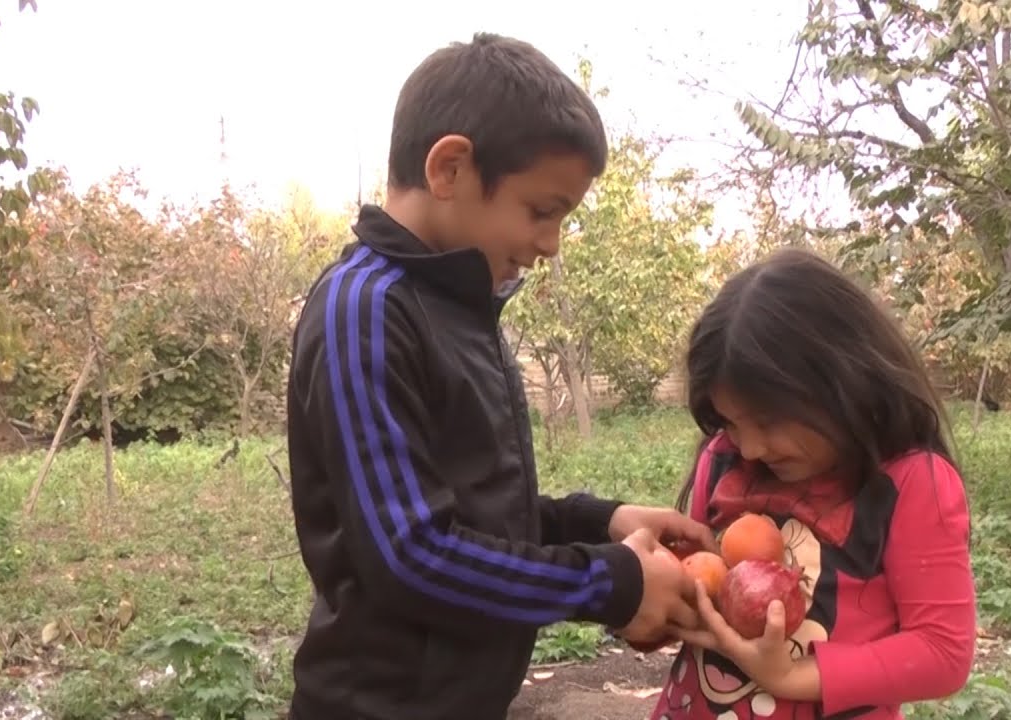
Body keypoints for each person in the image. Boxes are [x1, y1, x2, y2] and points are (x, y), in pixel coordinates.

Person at [284, 32, 713, 720]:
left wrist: (599, 523)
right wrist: (610, 585)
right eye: (542, 212)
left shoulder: (456, 306)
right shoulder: (363, 310)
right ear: (450, 168)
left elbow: (477, 516)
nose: (550, 243)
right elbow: (413, 557)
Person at [650, 248, 977, 720]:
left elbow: (942, 651)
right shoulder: (724, 460)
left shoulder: (909, 484)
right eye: (731, 423)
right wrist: (650, 602)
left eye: (768, 420)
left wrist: (788, 677)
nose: (752, 448)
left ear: (844, 382)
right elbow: (703, 583)